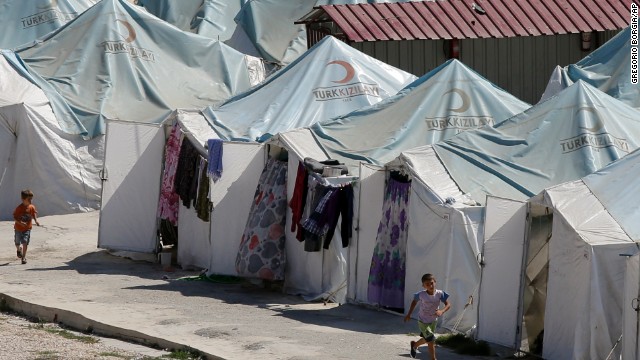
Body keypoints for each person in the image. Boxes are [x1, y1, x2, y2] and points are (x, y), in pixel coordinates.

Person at [404, 273, 451, 359]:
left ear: (435, 282)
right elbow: (414, 302)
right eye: (427, 284)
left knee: (427, 339)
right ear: (423, 286)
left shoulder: (440, 293)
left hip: (433, 321)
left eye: (432, 283)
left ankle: (414, 345)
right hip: (423, 321)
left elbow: (448, 304)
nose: (430, 286)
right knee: (431, 340)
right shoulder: (421, 294)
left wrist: (441, 311)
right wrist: (409, 314)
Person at [14, 189, 39, 264]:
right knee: (17, 242)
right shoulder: (19, 208)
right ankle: (18, 250)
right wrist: (20, 223)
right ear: (23, 199)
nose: (31, 201)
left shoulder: (31, 207)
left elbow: (33, 213)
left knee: (25, 242)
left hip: (27, 229)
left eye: (31, 199)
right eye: (29, 199)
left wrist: (36, 220)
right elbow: (15, 218)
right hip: (18, 229)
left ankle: (24, 257)